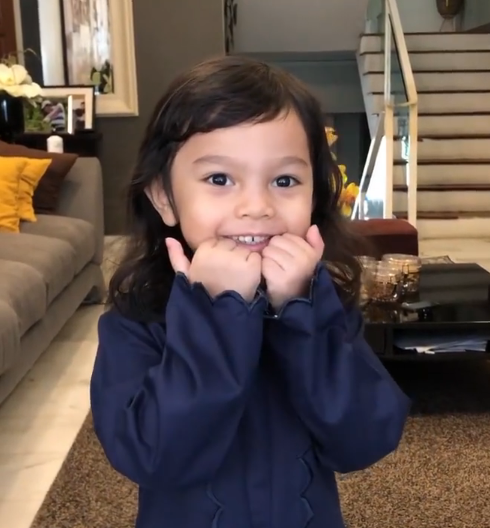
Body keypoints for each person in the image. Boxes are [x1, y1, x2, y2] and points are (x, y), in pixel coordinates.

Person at [90, 55, 411, 528]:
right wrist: (214, 314)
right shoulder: (136, 318)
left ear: (315, 195)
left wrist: (303, 313)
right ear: (163, 196)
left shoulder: (321, 304)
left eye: (284, 180)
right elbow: (151, 455)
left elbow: (365, 440)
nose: (257, 207)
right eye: (219, 179)